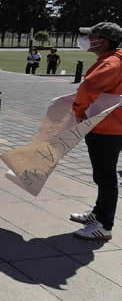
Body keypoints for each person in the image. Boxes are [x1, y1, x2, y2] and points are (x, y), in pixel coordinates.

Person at [70, 22, 122, 241]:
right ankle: (97, 215)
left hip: (105, 127)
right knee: (103, 174)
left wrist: (78, 109)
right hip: (113, 124)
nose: (88, 40)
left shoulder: (111, 62)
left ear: (105, 40)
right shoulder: (117, 58)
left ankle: (104, 225)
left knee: (105, 176)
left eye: (93, 36)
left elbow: (88, 87)